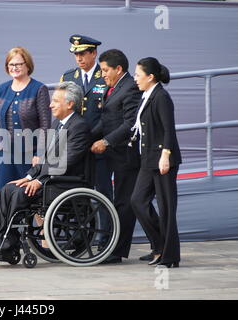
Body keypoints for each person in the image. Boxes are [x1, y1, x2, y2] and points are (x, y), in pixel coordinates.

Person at [0, 81, 90, 258]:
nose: (51, 105)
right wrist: (28, 176)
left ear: (70, 104)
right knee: (7, 190)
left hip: (65, 182)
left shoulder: (79, 126)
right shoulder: (58, 124)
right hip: (50, 178)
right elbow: (45, 159)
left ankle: (7, 244)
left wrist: (39, 181)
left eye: (55, 101)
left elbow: (66, 161)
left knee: (20, 194)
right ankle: (0, 240)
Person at [60, 34, 113, 249]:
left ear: (94, 53)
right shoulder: (68, 76)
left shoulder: (105, 76)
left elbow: (108, 114)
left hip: (98, 145)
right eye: (76, 54)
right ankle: (81, 237)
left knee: (101, 192)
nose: (79, 59)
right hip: (76, 147)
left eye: (83, 53)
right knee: (77, 193)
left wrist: (93, 137)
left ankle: (104, 238)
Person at [90, 49, 142, 264]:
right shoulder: (114, 88)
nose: (103, 74)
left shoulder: (129, 88)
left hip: (126, 154)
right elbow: (107, 119)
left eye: (105, 70)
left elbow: (130, 124)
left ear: (118, 69)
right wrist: (86, 137)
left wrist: (106, 141)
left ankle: (117, 251)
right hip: (115, 153)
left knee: (124, 202)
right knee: (139, 204)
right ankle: (160, 244)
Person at [131, 57, 182, 268]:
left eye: (138, 75)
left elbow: (168, 129)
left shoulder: (161, 97)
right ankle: (159, 245)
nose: (135, 79)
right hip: (148, 159)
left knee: (166, 207)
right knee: (137, 201)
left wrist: (166, 155)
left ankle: (169, 257)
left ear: (150, 77)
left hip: (162, 159)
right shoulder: (146, 95)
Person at [0, 47, 51, 191]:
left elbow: (45, 125)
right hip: (4, 154)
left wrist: (39, 154)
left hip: (30, 154)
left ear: (27, 65)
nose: (14, 68)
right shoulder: (2, 89)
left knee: (27, 196)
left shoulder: (39, 89)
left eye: (18, 64)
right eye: (11, 64)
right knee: (5, 193)